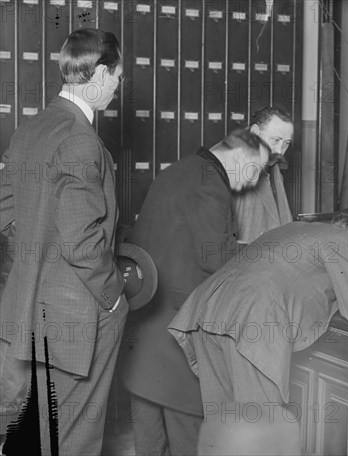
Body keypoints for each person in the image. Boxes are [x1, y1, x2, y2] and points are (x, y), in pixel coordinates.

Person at [0, 28, 126, 455]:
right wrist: (113, 297)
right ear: (102, 73)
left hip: (29, 311)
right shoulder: (80, 139)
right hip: (78, 317)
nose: (117, 87)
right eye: (118, 77)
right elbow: (82, 243)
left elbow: (6, 212)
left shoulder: (33, 126)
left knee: (35, 435)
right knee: (74, 439)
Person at [117, 129, 271, 456]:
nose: (252, 182)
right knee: (188, 439)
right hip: (177, 337)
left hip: (145, 330)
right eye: (255, 170)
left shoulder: (180, 169)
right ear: (240, 156)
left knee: (149, 440)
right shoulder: (211, 186)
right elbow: (216, 259)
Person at [168, 205, 348, 412]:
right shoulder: (343, 239)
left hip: (209, 311)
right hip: (252, 324)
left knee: (222, 423)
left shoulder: (291, 228)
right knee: (260, 427)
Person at [232, 106, 295, 243]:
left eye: (286, 144)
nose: (279, 151)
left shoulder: (273, 167)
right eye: (275, 140)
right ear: (254, 132)